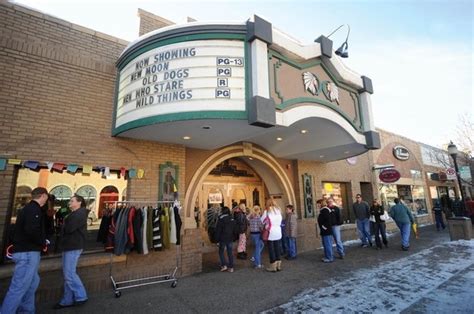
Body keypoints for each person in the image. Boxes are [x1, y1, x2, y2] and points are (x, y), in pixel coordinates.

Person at [1, 187, 49, 313]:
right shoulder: (34, 209)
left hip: (27, 251)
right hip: (27, 252)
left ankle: (26, 310)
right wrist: (43, 242)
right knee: (19, 286)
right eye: (47, 197)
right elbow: (31, 230)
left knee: (33, 283)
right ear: (43, 196)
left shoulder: (28, 209)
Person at [54, 194, 89, 309]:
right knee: (68, 274)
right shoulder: (75, 213)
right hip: (69, 245)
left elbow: (69, 229)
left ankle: (81, 296)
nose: (69, 202)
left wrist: (64, 221)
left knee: (69, 274)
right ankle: (67, 300)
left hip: (73, 245)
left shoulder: (78, 214)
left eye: (72, 200)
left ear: (79, 202)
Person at [261, 198, 283, 272]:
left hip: (271, 232)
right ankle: (278, 265)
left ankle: (273, 266)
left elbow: (262, 220)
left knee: (271, 249)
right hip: (278, 231)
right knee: (277, 247)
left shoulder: (267, 211)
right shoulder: (278, 210)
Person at [215, 206, 235, 273]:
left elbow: (218, 230)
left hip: (222, 238)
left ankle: (224, 265)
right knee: (230, 252)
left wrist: (217, 240)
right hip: (230, 238)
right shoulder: (231, 218)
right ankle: (231, 267)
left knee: (221, 251)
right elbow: (234, 229)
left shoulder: (221, 218)